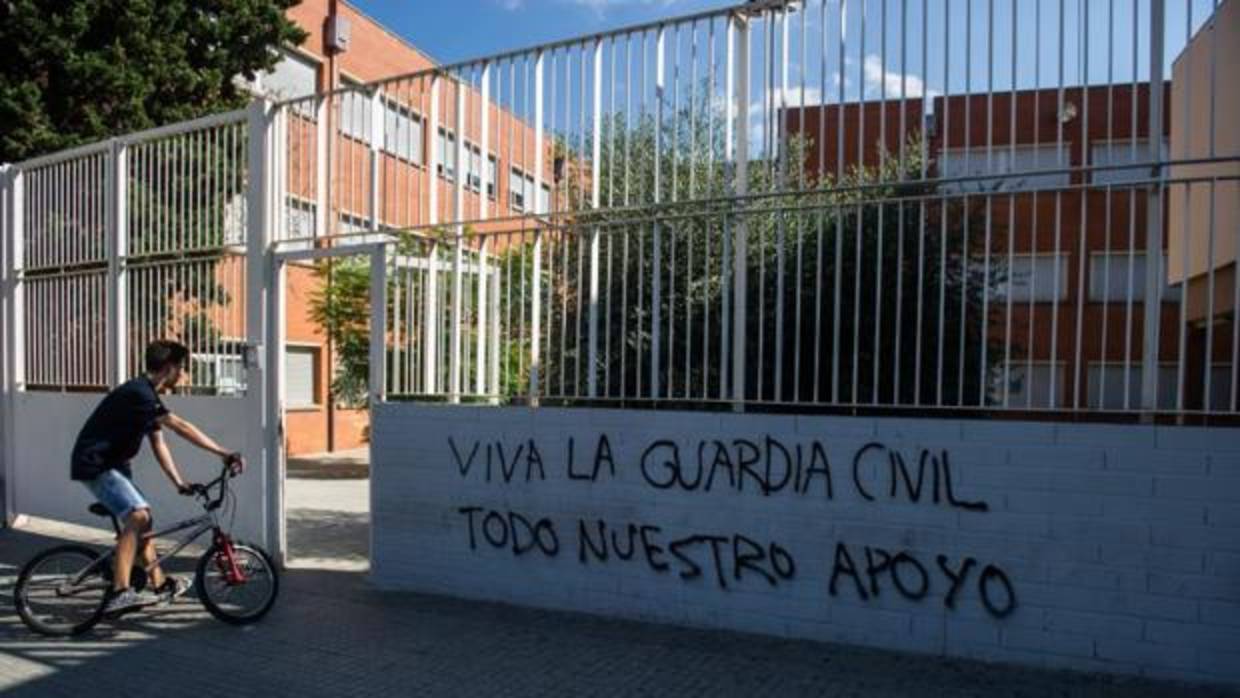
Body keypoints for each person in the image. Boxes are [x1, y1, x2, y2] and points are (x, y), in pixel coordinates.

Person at [70, 339, 245, 617]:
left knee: (145, 523)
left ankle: (160, 584)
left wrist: (178, 482)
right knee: (138, 516)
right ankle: (119, 592)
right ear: (168, 367)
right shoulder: (140, 394)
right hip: (96, 464)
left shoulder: (147, 398)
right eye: (181, 368)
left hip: (113, 465)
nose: (183, 374)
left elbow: (158, 443)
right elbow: (180, 427)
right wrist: (223, 452)